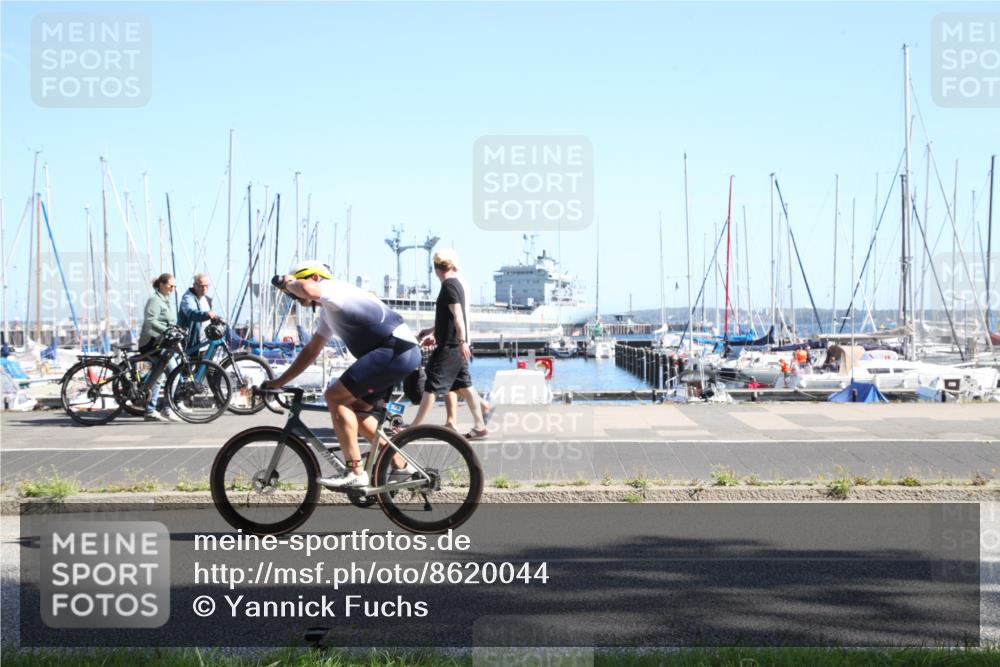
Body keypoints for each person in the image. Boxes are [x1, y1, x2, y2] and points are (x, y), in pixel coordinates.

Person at [261, 261, 421, 488]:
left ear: (314, 277)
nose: (294, 296)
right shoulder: (328, 311)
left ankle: (355, 472)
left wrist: (288, 282)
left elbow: (306, 290)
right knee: (357, 413)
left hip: (395, 350)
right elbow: (311, 351)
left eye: (298, 284)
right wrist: (279, 381)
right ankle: (402, 467)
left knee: (335, 397)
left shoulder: (333, 289)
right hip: (397, 353)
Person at [411, 249, 489, 439]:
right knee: (463, 385)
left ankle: (413, 428)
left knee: (432, 385)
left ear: (436, 268)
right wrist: (433, 331)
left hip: (451, 346)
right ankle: (480, 426)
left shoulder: (448, 286)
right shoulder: (456, 283)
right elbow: (448, 317)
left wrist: (461, 341)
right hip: (455, 344)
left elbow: (458, 316)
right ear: (452, 266)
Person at [441, 264, 492, 431]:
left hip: (455, 342)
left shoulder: (451, 284)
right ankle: (455, 419)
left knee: (453, 383)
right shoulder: (460, 283)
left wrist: (461, 341)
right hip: (459, 340)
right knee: (456, 384)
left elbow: (456, 315)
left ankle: (457, 419)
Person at [138, 273, 180, 422]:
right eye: (170, 285)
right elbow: (150, 321)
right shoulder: (155, 300)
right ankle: (166, 409)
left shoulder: (166, 300)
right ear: (161, 284)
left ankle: (152, 410)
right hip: (151, 342)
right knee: (174, 374)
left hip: (163, 342)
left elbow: (170, 321)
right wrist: (166, 330)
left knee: (160, 375)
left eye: (174, 286)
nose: (173, 288)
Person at [178, 273, 218, 352]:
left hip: (205, 343)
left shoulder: (207, 299)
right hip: (192, 343)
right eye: (201, 286)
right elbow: (192, 313)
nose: (204, 288)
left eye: (206, 286)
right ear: (194, 285)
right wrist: (206, 315)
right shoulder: (188, 298)